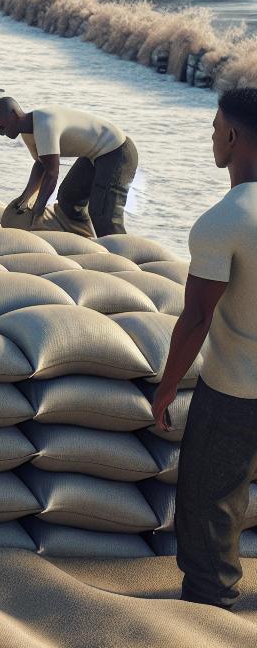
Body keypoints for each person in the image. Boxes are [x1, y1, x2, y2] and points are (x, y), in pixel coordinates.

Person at [150, 88, 257, 610]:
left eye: (216, 127)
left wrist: (167, 388)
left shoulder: (225, 220)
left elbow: (195, 319)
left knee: (209, 498)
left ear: (233, 137)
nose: (212, 135)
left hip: (236, 391)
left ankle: (209, 606)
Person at [0, 96, 138, 236]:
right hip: (93, 155)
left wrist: (36, 212)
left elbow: (52, 173)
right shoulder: (28, 133)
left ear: (14, 115)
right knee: (69, 198)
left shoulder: (44, 125)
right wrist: (24, 198)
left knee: (102, 213)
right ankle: (84, 240)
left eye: (2, 127)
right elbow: (41, 165)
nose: (2, 133)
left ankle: (121, 256)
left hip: (117, 152)